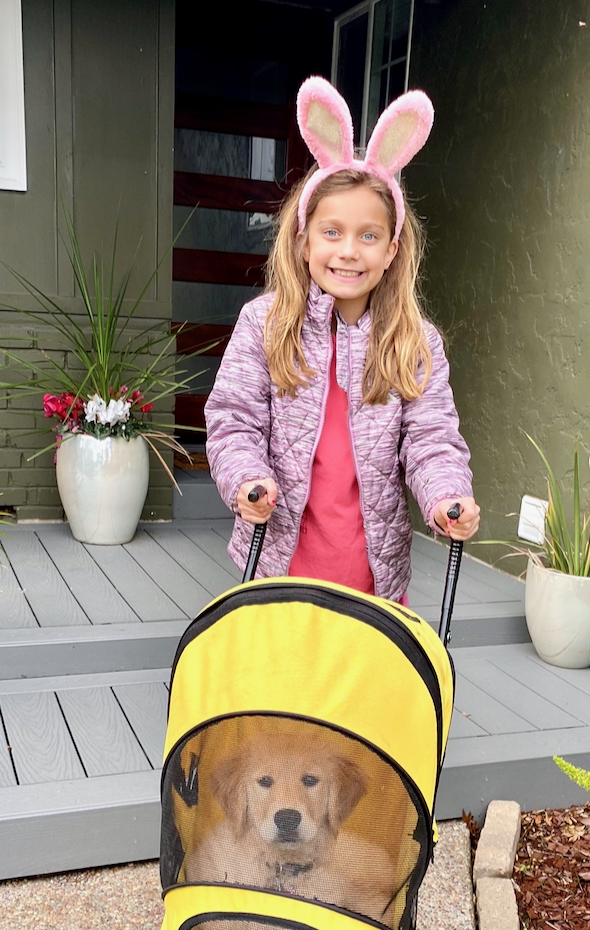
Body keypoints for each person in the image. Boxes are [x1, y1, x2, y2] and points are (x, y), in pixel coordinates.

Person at [205, 76, 479, 603]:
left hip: (371, 576)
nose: (349, 251)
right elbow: (233, 419)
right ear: (304, 240)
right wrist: (246, 480)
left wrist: (448, 496)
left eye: (368, 236)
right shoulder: (263, 323)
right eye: (332, 232)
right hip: (279, 565)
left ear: (392, 249)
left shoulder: (415, 342)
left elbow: (431, 440)